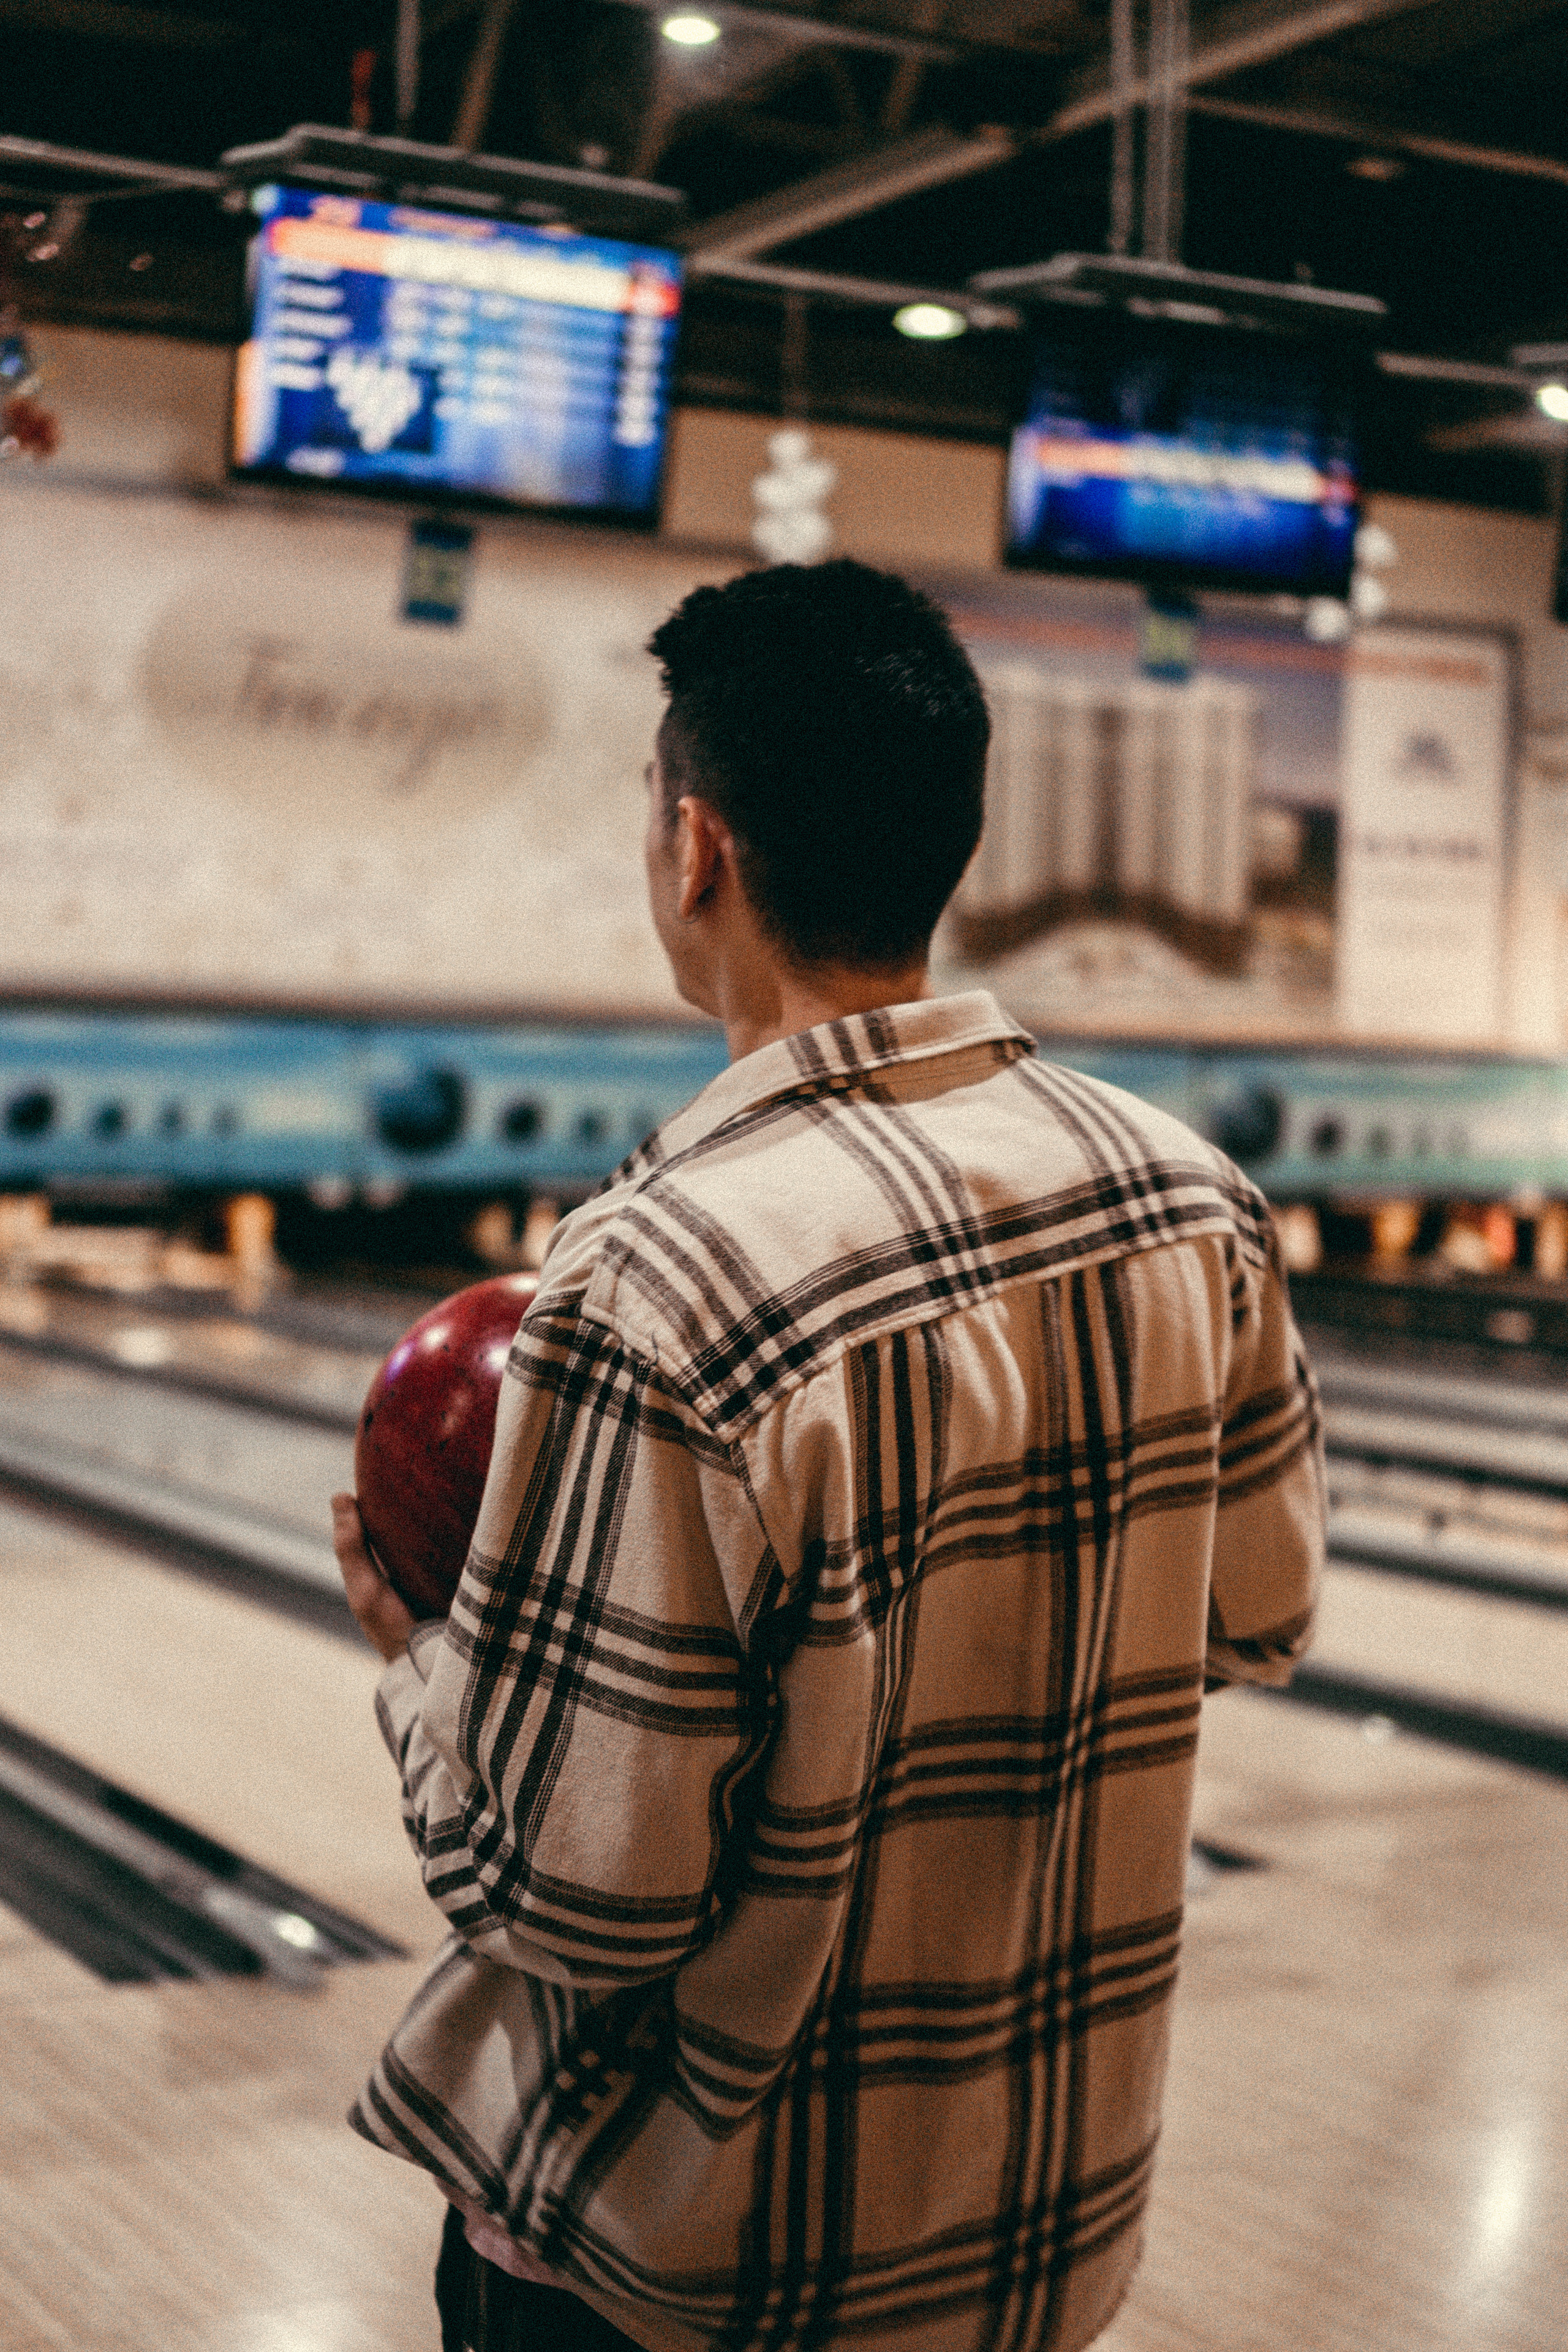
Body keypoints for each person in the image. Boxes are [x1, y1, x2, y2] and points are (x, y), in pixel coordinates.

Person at [333, 557, 1323, 2352]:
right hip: (1035, 2242)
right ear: (954, 839)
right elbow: (1255, 1616)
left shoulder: (654, 1283)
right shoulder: (1195, 1199)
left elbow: (572, 1898)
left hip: (697, 2281)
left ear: (693, 847)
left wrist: (423, 1667)